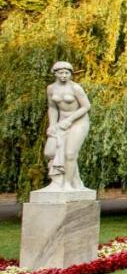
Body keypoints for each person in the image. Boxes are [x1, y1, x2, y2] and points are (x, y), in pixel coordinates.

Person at [39, 61, 92, 192]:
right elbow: (52, 107)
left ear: (71, 74)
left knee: (70, 153)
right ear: (55, 73)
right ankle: (61, 182)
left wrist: (70, 120)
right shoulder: (51, 88)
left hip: (78, 121)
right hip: (61, 122)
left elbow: (86, 106)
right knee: (52, 152)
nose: (64, 75)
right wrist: (52, 125)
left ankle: (67, 184)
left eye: (67, 73)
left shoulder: (76, 88)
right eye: (61, 73)